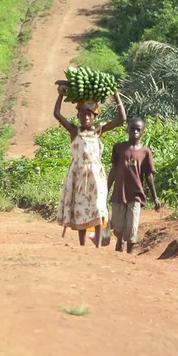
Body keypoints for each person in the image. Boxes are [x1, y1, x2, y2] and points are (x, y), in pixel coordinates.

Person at [53, 84, 126, 247]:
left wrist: (115, 95)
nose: (86, 117)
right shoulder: (74, 131)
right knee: (81, 207)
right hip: (79, 174)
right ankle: (82, 245)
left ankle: (98, 245)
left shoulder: (98, 130)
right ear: (78, 115)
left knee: (99, 206)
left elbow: (121, 119)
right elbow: (57, 114)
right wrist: (60, 95)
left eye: (89, 114)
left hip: (96, 175)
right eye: (83, 114)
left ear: (94, 116)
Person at [106, 116, 158, 254]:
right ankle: (119, 241)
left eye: (138, 129)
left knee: (132, 225)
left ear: (143, 132)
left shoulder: (145, 152)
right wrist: (106, 189)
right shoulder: (118, 148)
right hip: (119, 193)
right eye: (132, 128)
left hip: (136, 194)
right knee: (118, 226)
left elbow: (148, 175)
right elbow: (113, 170)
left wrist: (155, 197)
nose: (135, 132)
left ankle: (129, 252)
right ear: (127, 130)